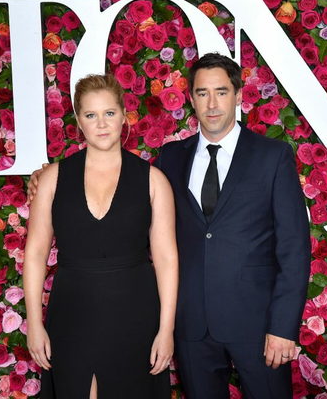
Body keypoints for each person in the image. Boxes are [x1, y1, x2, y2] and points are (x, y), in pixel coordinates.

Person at [29, 54, 310, 399]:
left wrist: (283, 327)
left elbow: (294, 248)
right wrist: (44, 179)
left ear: (239, 95)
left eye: (221, 92)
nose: (212, 103)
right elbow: (118, 191)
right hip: (190, 329)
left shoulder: (273, 156)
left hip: (257, 326)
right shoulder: (170, 159)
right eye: (202, 93)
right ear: (190, 99)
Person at [23, 74, 178, 399]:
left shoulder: (154, 181)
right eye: (91, 115)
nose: (102, 123)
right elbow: (36, 253)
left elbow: (165, 258)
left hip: (135, 314)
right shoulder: (52, 179)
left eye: (109, 113)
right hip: (72, 314)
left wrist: (166, 330)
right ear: (79, 121)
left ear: (123, 115)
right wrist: (35, 324)